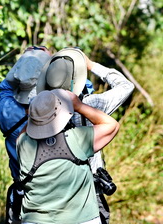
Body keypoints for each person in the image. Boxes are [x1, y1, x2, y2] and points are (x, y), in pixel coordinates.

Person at [36, 47, 135, 223]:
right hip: (89, 192)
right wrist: (91, 65)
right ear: (77, 79)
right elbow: (126, 86)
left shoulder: (38, 109)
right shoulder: (91, 104)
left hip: (50, 193)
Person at [17, 89, 120, 224]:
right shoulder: (76, 138)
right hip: (82, 219)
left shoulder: (22, 143)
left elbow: (27, 130)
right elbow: (112, 125)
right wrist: (79, 106)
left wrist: (37, 113)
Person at [0, 46, 52, 223]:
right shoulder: (59, 112)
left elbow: (5, 87)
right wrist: (52, 60)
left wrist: (25, 62)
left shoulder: (6, 110)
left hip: (23, 192)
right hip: (55, 193)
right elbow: (83, 89)